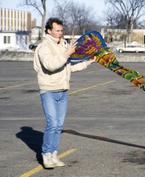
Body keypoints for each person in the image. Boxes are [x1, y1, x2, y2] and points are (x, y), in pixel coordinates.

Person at [33, 17, 95, 168]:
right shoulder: (44, 47)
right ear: (49, 31)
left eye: (61, 30)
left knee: (59, 125)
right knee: (52, 124)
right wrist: (67, 53)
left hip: (63, 90)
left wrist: (87, 63)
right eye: (57, 30)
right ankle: (46, 155)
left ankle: (54, 154)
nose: (60, 33)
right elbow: (51, 65)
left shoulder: (63, 45)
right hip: (48, 90)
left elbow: (68, 67)